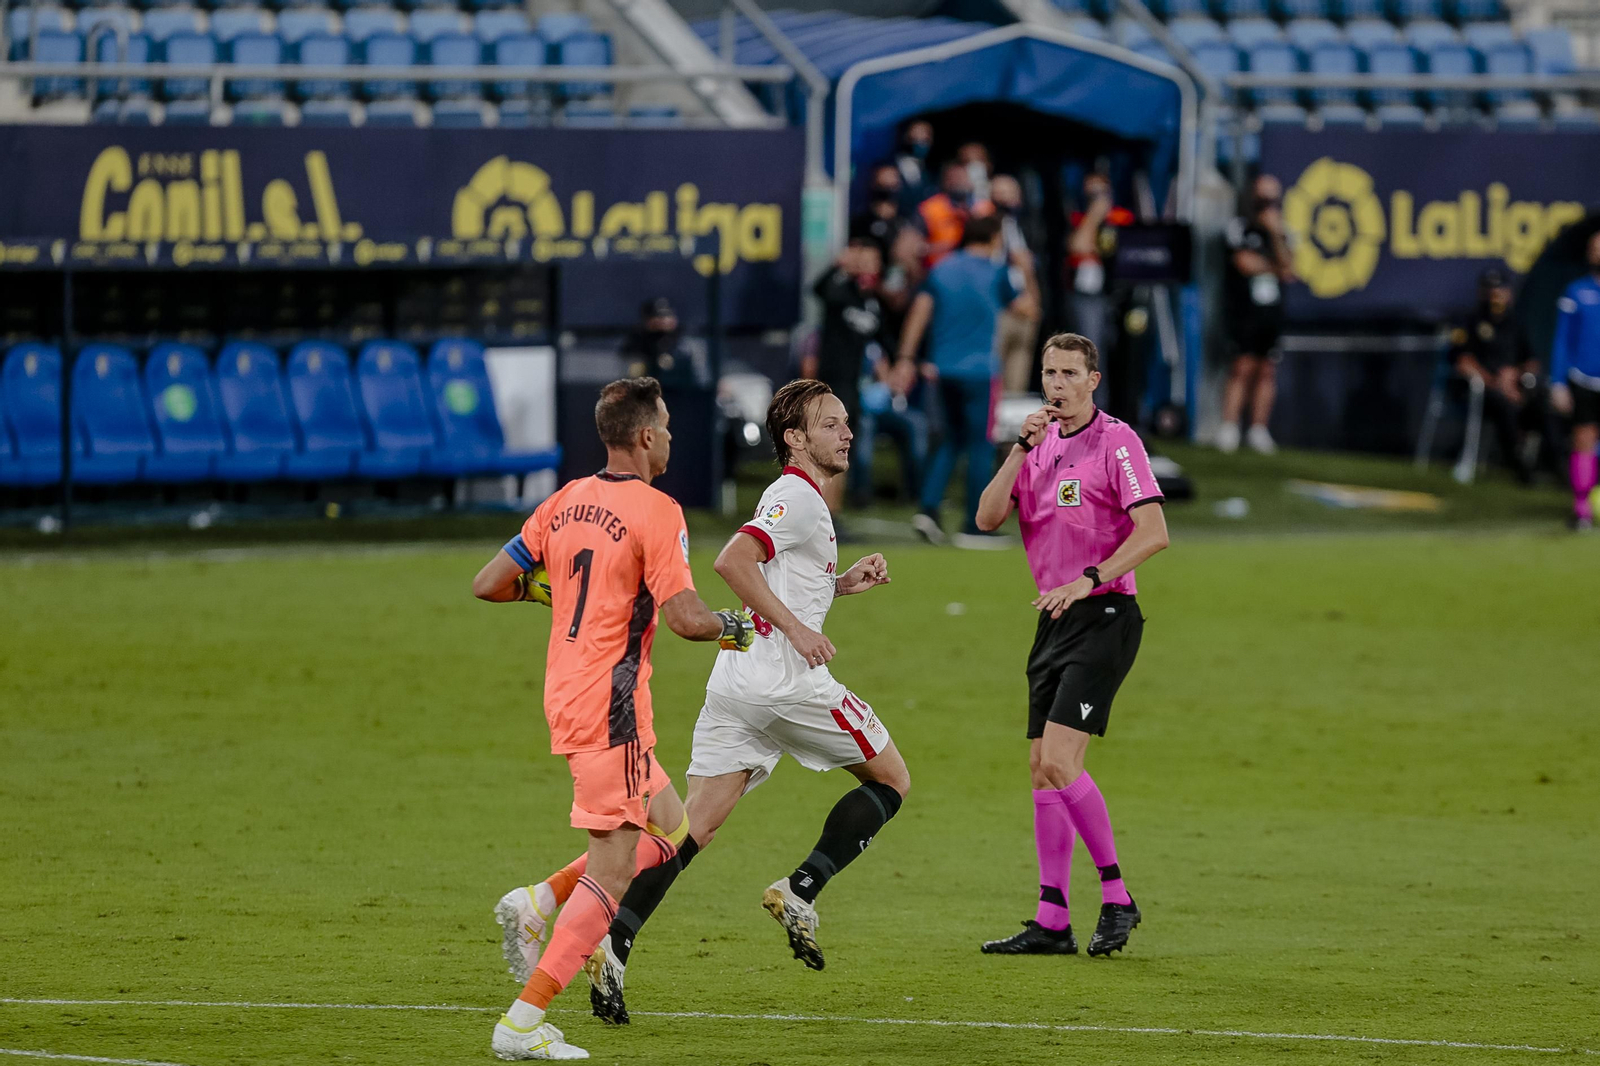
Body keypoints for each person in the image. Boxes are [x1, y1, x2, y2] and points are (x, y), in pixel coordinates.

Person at [582, 379, 907, 1024]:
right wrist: (797, 629)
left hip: (736, 683)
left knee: (689, 828)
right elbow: (734, 562)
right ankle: (800, 889)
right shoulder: (798, 497)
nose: (846, 432)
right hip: (787, 684)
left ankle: (613, 945)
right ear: (796, 438)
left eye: (846, 422)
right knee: (893, 779)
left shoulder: (797, 499)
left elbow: (776, 573)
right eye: (831, 423)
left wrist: (837, 586)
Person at [472, 377, 756, 1060]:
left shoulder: (566, 499)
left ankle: (540, 901)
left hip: (568, 691)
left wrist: (549, 591)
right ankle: (523, 1021)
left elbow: (492, 582)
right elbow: (688, 619)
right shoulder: (658, 510)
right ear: (646, 436)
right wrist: (736, 628)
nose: (670, 438)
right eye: (665, 426)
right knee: (617, 868)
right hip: (612, 705)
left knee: (673, 827)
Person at [971, 333, 1169, 958]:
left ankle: (1117, 896)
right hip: (1053, 620)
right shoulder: (1037, 447)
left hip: (1106, 613)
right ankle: (1051, 918)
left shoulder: (1118, 442)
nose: (1056, 384)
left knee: (1060, 760)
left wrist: (1089, 578)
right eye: (1048, 373)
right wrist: (1016, 451)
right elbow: (985, 518)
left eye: (1069, 374)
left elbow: (1155, 533)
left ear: (1094, 379)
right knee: (1040, 768)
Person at [894, 215, 1036, 544]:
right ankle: (976, 524)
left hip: (943, 370)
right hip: (981, 372)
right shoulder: (997, 272)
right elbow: (1028, 310)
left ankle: (928, 509)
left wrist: (906, 357)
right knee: (980, 445)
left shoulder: (942, 268)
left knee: (950, 441)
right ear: (993, 239)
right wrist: (1025, 269)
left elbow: (920, 311)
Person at [1218, 174, 1296, 455]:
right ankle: (1229, 426)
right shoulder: (1241, 227)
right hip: (1244, 309)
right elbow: (1244, 263)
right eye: (1263, 199)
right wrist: (1275, 266)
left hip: (1271, 311)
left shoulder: (1284, 232)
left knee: (1266, 369)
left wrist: (1275, 235)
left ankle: (1259, 428)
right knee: (1242, 366)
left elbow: (1290, 268)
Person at [804, 238, 884, 508]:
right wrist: (840, 266)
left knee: (842, 450)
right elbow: (819, 289)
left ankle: (832, 515)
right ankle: (826, 515)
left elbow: (884, 336)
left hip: (852, 384)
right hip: (831, 383)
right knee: (829, 449)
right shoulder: (841, 289)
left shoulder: (869, 301)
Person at [1448, 269, 1535, 483]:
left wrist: (1516, 375)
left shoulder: (1515, 323)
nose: (1495, 296)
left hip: (1514, 387)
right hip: (1480, 391)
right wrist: (1497, 383)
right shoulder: (1470, 321)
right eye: (1490, 290)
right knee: (1504, 404)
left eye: (1499, 290)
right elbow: (1463, 363)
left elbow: (1532, 361)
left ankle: (1557, 463)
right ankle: (1517, 463)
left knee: (1542, 398)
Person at [1551, 230, 1600, 530]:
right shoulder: (1575, 291)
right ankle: (1581, 509)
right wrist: (1557, 382)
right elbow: (1561, 341)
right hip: (1583, 380)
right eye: (1594, 247)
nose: (1599, 252)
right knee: (1583, 439)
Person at [1066, 173, 1134, 370]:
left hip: (1120, 292)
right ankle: (1094, 398)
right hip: (1089, 294)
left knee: (1120, 350)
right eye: (1092, 193)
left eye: (1101, 192)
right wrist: (1095, 215)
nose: (1098, 197)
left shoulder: (1121, 216)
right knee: (1092, 349)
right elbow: (1078, 246)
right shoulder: (1079, 218)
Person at [991, 174, 1041, 395]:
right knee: (994, 380)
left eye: (1010, 194)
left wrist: (1035, 302)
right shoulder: (986, 229)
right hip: (998, 310)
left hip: (1025, 309)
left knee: (1016, 385)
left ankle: (1013, 430)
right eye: (1000, 194)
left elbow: (1027, 267)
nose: (1005, 199)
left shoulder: (1024, 228)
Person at [619, 298, 698, 387]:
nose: (663, 320)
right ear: (646, 319)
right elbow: (628, 375)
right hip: (645, 394)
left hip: (683, 393)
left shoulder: (686, 343)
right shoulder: (635, 342)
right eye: (657, 316)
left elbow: (698, 378)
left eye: (667, 315)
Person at [916, 163, 981, 269]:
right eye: (953, 178)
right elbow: (916, 248)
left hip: (975, 269)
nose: (958, 182)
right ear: (945, 182)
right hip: (939, 269)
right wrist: (949, 245)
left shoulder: (982, 208)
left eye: (962, 177)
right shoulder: (930, 208)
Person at [851, 164, 910, 264]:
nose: (888, 190)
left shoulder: (904, 224)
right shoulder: (860, 223)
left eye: (893, 185)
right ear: (873, 184)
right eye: (883, 186)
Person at [892, 119, 935, 211]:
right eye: (916, 136)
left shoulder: (931, 171)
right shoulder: (892, 166)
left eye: (925, 137)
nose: (920, 140)